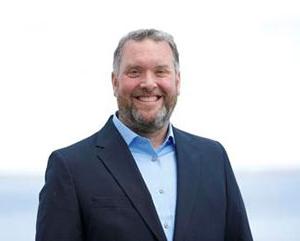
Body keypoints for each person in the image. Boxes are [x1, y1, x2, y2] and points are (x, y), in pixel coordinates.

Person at [36, 29, 253, 241]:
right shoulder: (70, 167)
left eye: (160, 71)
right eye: (134, 72)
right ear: (115, 82)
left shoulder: (213, 158)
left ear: (177, 81)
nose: (149, 83)